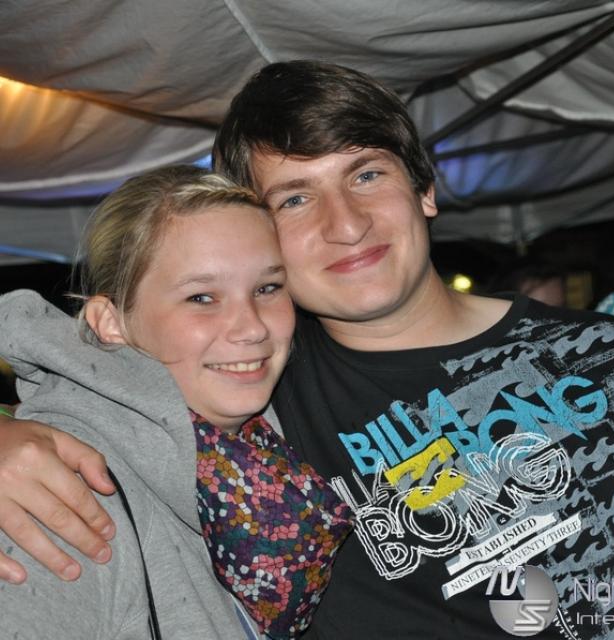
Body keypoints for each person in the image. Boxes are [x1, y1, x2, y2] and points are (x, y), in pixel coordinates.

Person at [1, 61, 614, 639]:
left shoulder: (611, 358)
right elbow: (98, 388)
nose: (346, 224)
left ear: (424, 189)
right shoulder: (249, 390)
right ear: (261, 231)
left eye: (367, 174)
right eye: (296, 198)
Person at [0, 165, 351, 639]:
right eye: (202, 297)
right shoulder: (59, 491)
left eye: (267, 288)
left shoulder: (261, 452)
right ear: (111, 322)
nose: (252, 327)